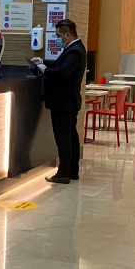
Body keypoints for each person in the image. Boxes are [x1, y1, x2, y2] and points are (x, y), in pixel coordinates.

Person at [31, 20, 87, 184]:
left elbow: (62, 72)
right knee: (70, 137)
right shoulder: (75, 49)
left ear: (68, 35)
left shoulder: (74, 52)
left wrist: (45, 70)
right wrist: (43, 63)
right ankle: (71, 171)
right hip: (68, 101)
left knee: (64, 138)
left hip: (63, 102)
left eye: (59, 36)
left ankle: (63, 173)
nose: (58, 39)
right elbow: (60, 64)